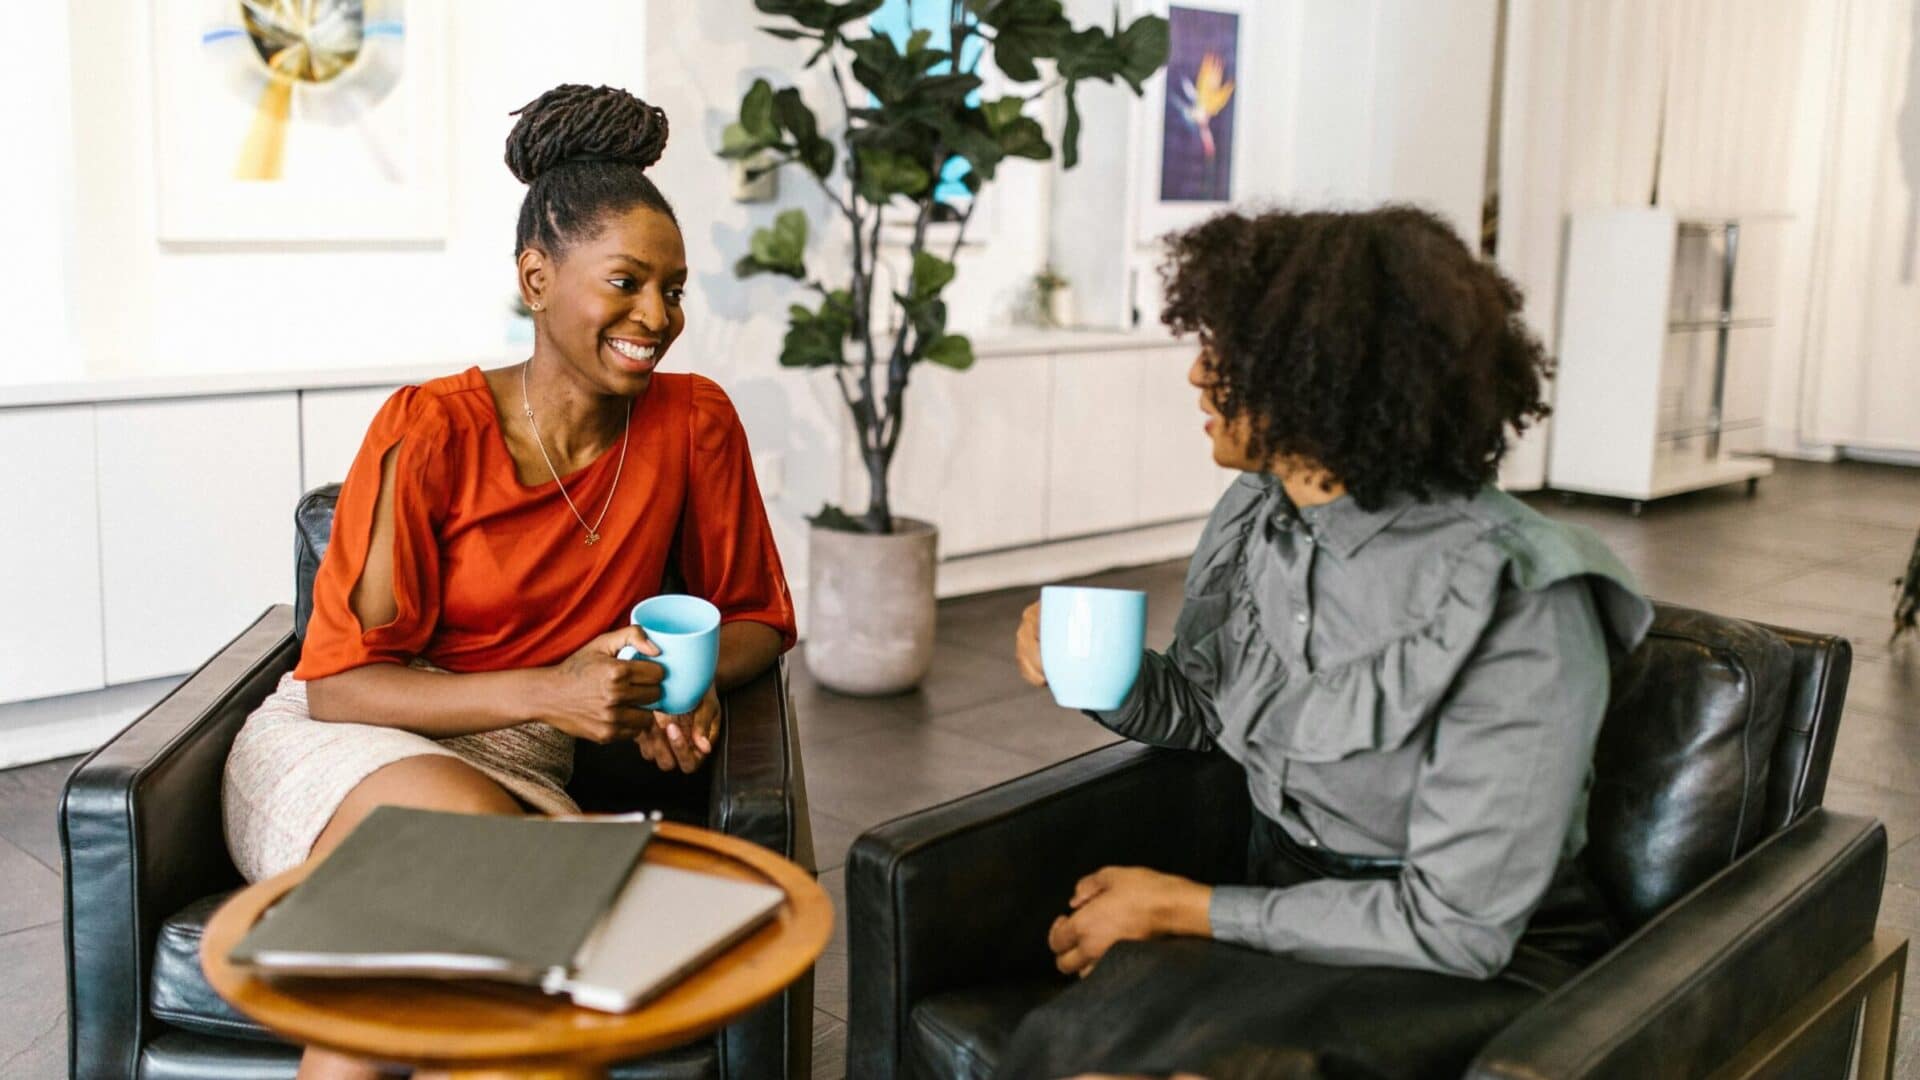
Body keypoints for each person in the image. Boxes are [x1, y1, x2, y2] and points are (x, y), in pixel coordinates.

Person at [221, 84, 795, 1080]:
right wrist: (561, 687)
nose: (657, 317)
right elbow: (343, 684)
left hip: (525, 768)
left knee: (526, 1038)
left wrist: (679, 678)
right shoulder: (429, 429)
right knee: (469, 909)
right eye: (626, 282)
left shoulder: (694, 422)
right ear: (537, 276)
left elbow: (757, 620)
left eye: (675, 288)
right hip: (353, 745)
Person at [1007, 206, 1654, 1079]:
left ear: (1326, 378)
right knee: (1062, 1045)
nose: (1198, 374)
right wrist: (1095, 675)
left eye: (1230, 351)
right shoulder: (1258, 514)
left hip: (1469, 961)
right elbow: (1207, 706)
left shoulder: (1521, 598)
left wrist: (1184, 909)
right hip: (1285, 901)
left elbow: (1456, 929)